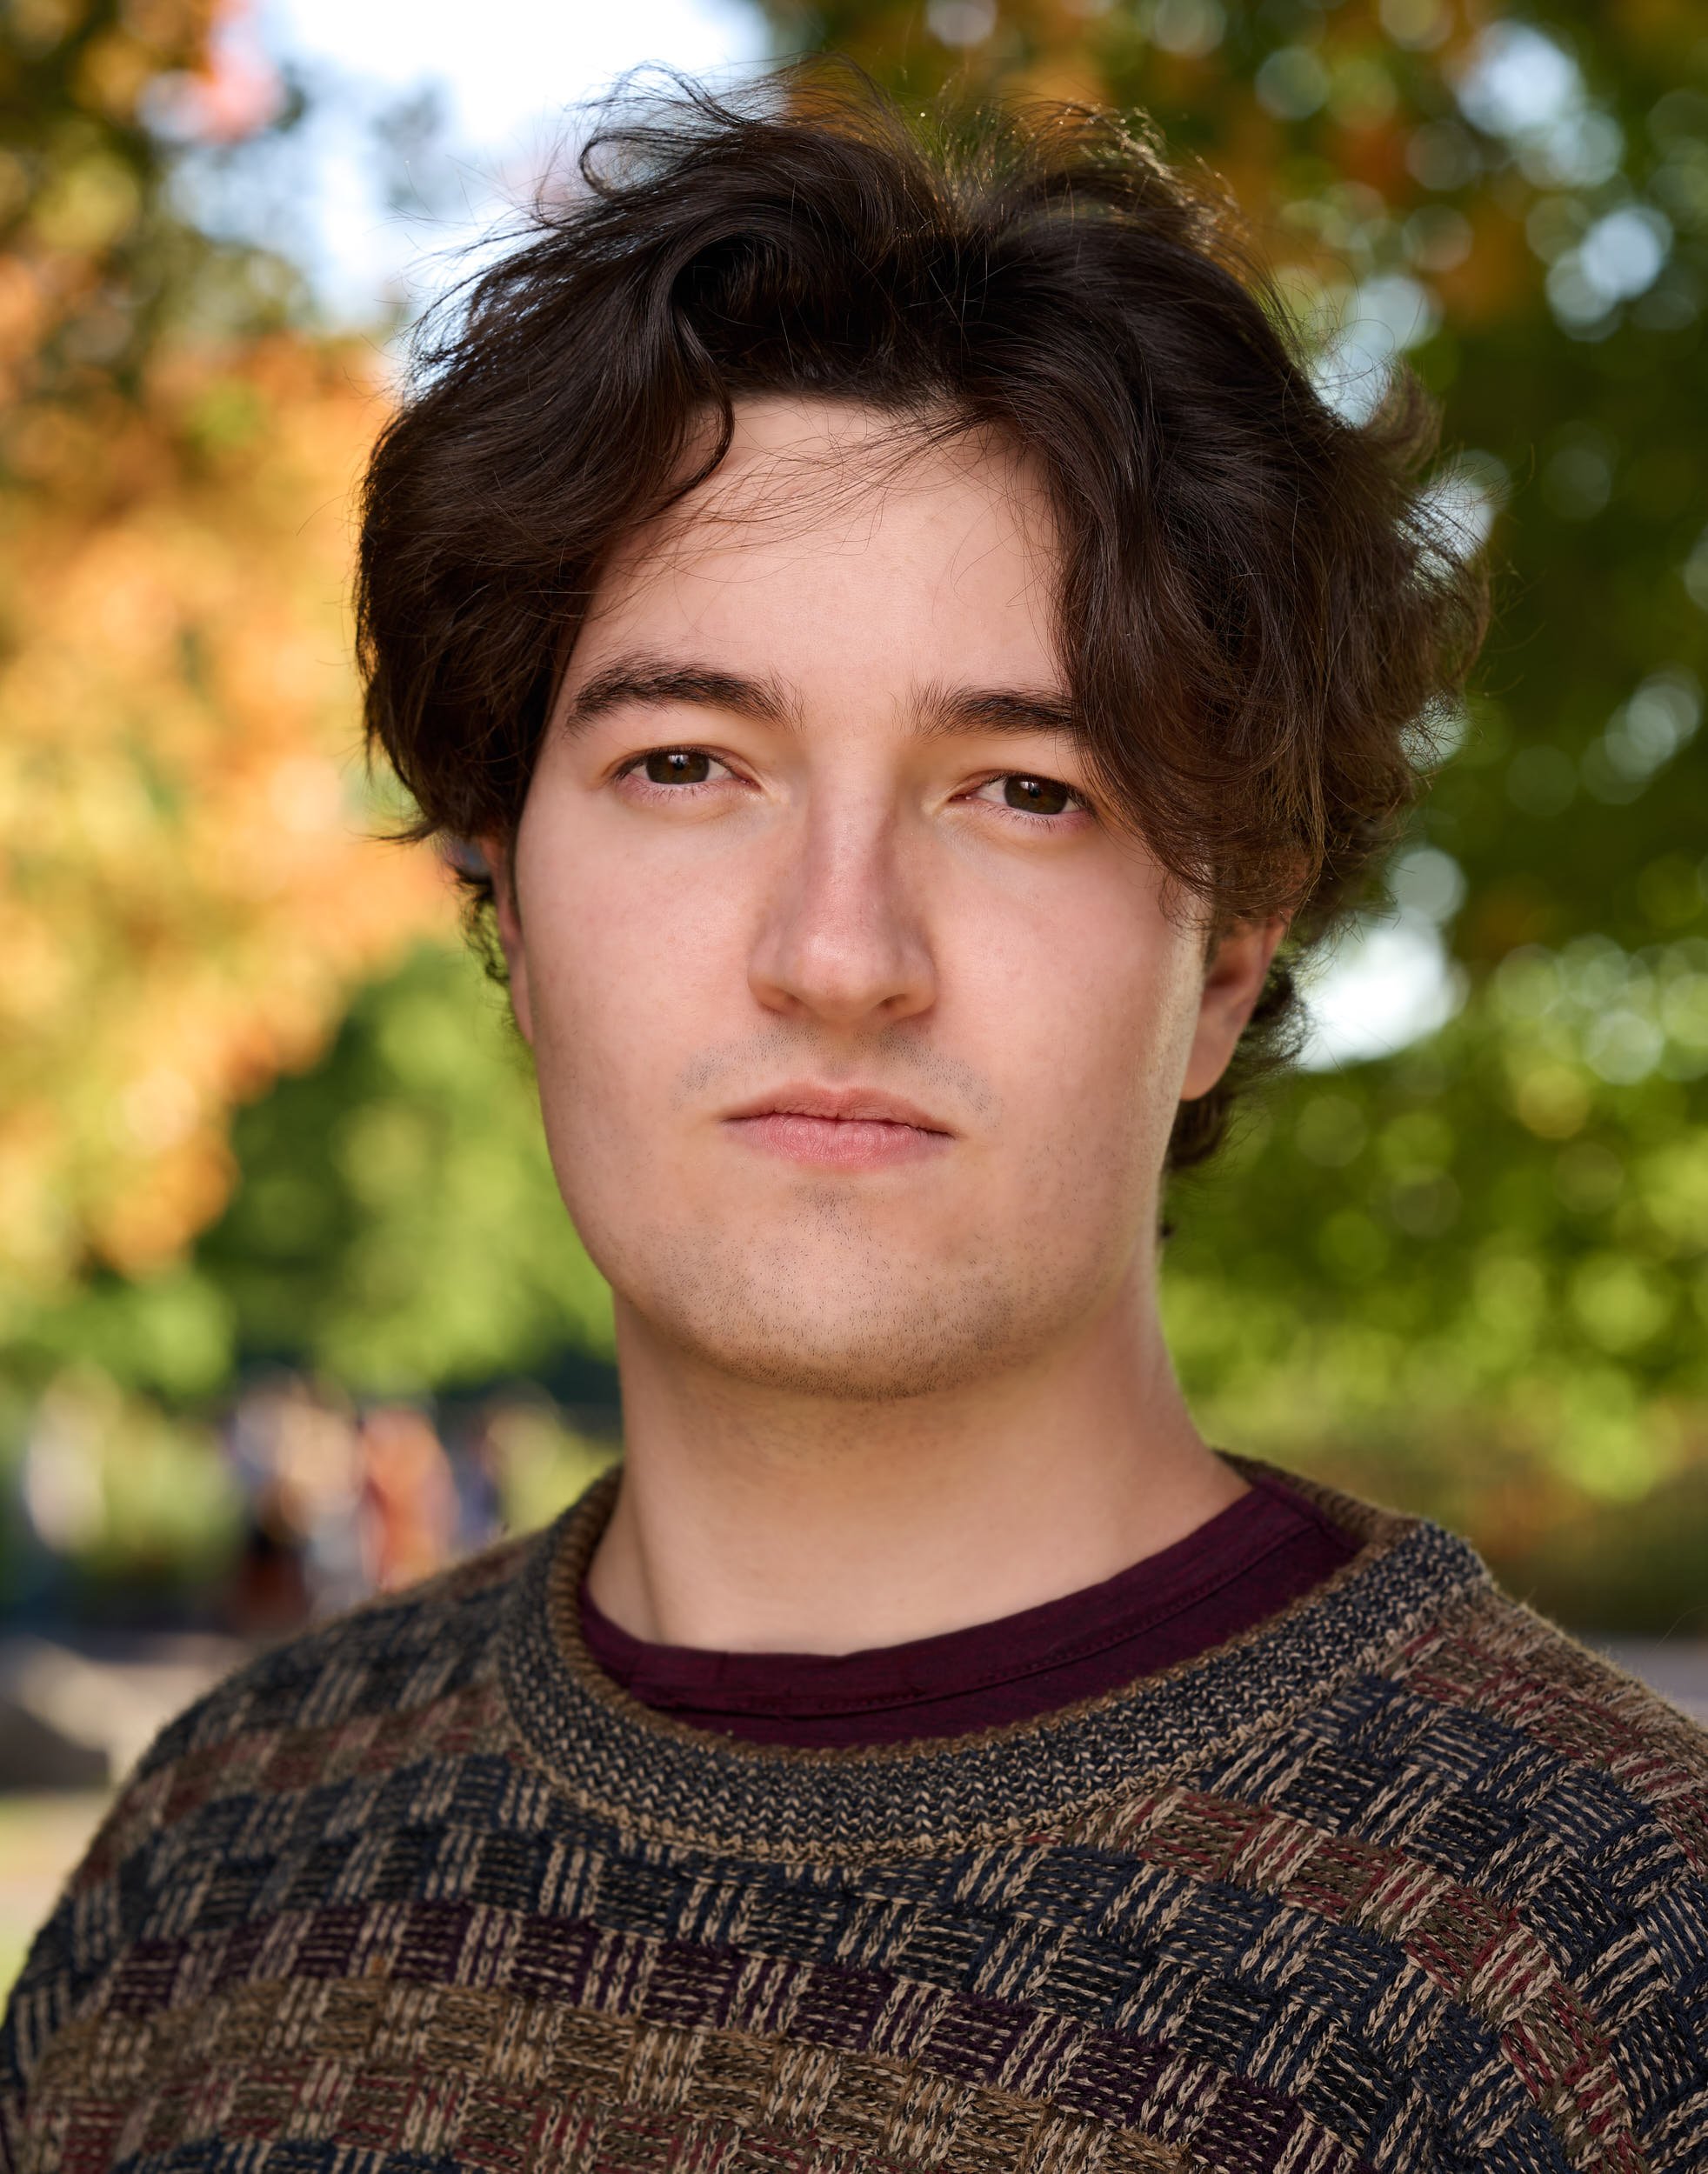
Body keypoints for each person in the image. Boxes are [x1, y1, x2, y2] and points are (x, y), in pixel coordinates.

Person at [5, 68, 1704, 2174]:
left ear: (1230, 961)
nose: (837, 951)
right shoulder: (202, 1871)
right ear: (507, 902)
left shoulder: (1601, 1959)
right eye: (687, 764)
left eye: (1022, 791)